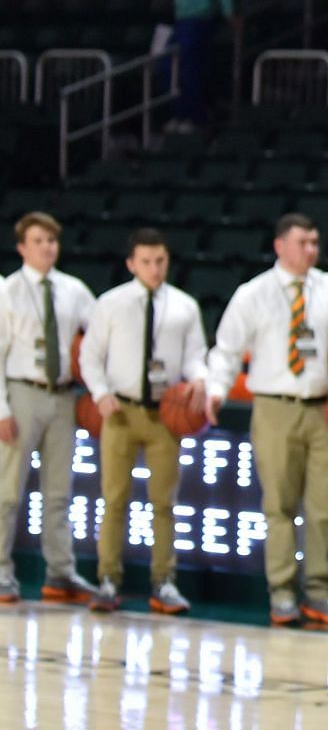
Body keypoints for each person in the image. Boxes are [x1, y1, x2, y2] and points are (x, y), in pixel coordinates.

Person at [204, 214, 328, 627]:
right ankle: (281, 592)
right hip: (273, 406)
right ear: (280, 246)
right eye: (302, 242)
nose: (311, 249)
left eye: (315, 242)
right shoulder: (252, 293)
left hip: (325, 409)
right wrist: (217, 390)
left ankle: (319, 591)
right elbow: (225, 349)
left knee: (326, 506)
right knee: (278, 505)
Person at [79, 228, 206, 615]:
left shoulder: (184, 306)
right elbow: (89, 356)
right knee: (114, 500)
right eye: (147, 262)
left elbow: (195, 355)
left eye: (161, 261)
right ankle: (108, 580)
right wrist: (100, 393)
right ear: (131, 264)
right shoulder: (110, 304)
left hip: (165, 415)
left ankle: (164, 581)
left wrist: (199, 379)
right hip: (120, 411)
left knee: (164, 503)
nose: (154, 268)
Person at [0, 213, 97, 605]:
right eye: (38, 240)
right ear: (22, 247)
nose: (47, 247)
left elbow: (101, 332)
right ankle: (2, 572)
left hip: (62, 396)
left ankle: (61, 574)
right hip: (21, 392)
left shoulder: (74, 290)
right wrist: (0, 409)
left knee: (59, 493)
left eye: (52, 240)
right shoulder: (7, 291)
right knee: (7, 491)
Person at [163, 0, 234, 132]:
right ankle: (179, 112)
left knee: (190, 70)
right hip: (182, 21)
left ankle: (194, 116)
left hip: (196, 21)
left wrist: (229, 12)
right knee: (168, 66)